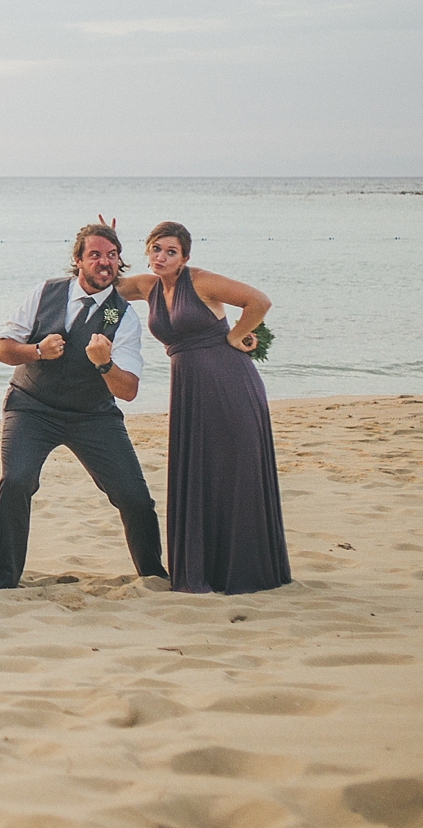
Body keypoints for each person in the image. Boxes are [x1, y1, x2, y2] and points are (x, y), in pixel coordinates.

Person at [117, 221, 290, 594]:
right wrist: (109, 243)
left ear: (185, 258)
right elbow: (108, 289)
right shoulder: (147, 287)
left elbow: (258, 300)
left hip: (229, 383)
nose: (162, 257)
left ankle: (246, 572)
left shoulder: (200, 281)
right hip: (189, 389)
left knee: (234, 471)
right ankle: (206, 569)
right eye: (156, 249)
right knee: (202, 472)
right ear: (147, 251)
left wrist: (233, 335)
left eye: (171, 252)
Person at [0, 222, 166, 587]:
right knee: (17, 480)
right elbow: (2, 349)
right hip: (31, 406)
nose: (105, 262)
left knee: (134, 496)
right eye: (96, 255)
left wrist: (104, 363)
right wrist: (36, 351)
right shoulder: (45, 292)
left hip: (92, 415)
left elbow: (128, 389)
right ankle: (6, 579)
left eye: (112, 256)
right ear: (78, 260)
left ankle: (153, 575)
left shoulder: (120, 314)